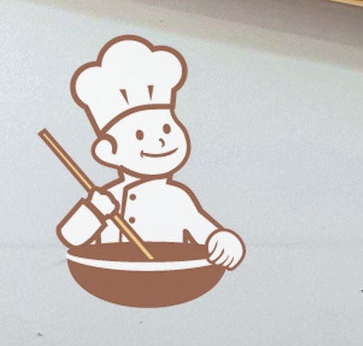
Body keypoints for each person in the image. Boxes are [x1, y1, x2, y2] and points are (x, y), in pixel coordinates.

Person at [55, 36, 245, 270]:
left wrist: (223, 240)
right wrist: (94, 211)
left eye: (166, 128)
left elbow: (205, 233)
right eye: (139, 135)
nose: (160, 140)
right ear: (109, 151)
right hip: (108, 278)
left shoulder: (177, 198)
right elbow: (71, 237)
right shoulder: (107, 198)